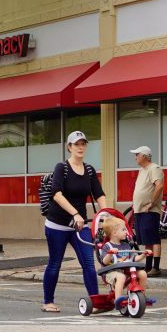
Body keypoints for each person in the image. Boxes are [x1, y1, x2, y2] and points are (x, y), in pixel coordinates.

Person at [40, 130, 107, 313]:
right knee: (55, 262)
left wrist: (106, 214)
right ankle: (48, 301)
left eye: (83, 143)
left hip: (80, 225)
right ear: (69, 147)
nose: (80, 147)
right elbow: (57, 194)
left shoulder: (90, 170)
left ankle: (94, 302)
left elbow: (99, 194)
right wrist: (75, 213)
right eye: (76, 144)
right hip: (57, 224)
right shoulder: (62, 168)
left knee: (88, 263)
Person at [98, 210, 148, 309]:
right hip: (110, 273)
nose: (126, 232)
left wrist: (143, 254)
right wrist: (110, 254)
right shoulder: (107, 246)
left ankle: (141, 297)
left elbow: (133, 258)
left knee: (142, 273)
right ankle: (118, 300)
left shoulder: (125, 245)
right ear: (115, 232)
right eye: (124, 230)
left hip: (125, 270)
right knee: (120, 277)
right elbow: (104, 262)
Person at [129, 145, 165, 276]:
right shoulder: (142, 170)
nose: (135, 157)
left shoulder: (154, 168)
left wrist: (151, 203)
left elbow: (159, 186)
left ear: (144, 156)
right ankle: (148, 267)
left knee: (153, 238)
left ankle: (156, 267)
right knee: (146, 240)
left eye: (137, 154)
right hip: (140, 210)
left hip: (149, 210)